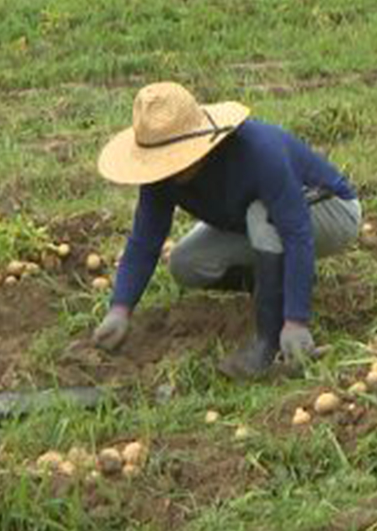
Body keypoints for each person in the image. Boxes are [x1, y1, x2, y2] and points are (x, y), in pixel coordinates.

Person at [90, 82, 363, 379]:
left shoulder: (258, 152)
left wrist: (296, 319)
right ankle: (282, 280)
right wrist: (120, 308)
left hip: (332, 211)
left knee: (262, 216)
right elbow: (145, 240)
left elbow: (296, 231)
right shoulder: (162, 178)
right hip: (255, 223)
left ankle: (268, 342)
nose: (168, 168)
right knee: (186, 263)